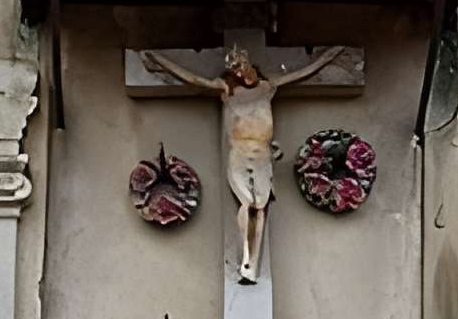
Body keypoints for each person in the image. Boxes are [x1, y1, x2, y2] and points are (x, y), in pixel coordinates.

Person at [142, 44, 344, 283]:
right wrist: (158, 59)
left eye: (244, 67)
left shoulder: (268, 87)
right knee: (246, 203)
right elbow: (193, 78)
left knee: (260, 207)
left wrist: (329, 57)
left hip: (263, 156)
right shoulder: (226, 89)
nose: (242, 73)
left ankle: (253, 262)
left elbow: (302, 73)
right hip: (239, 153)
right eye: (237, 70)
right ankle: (246, 258)